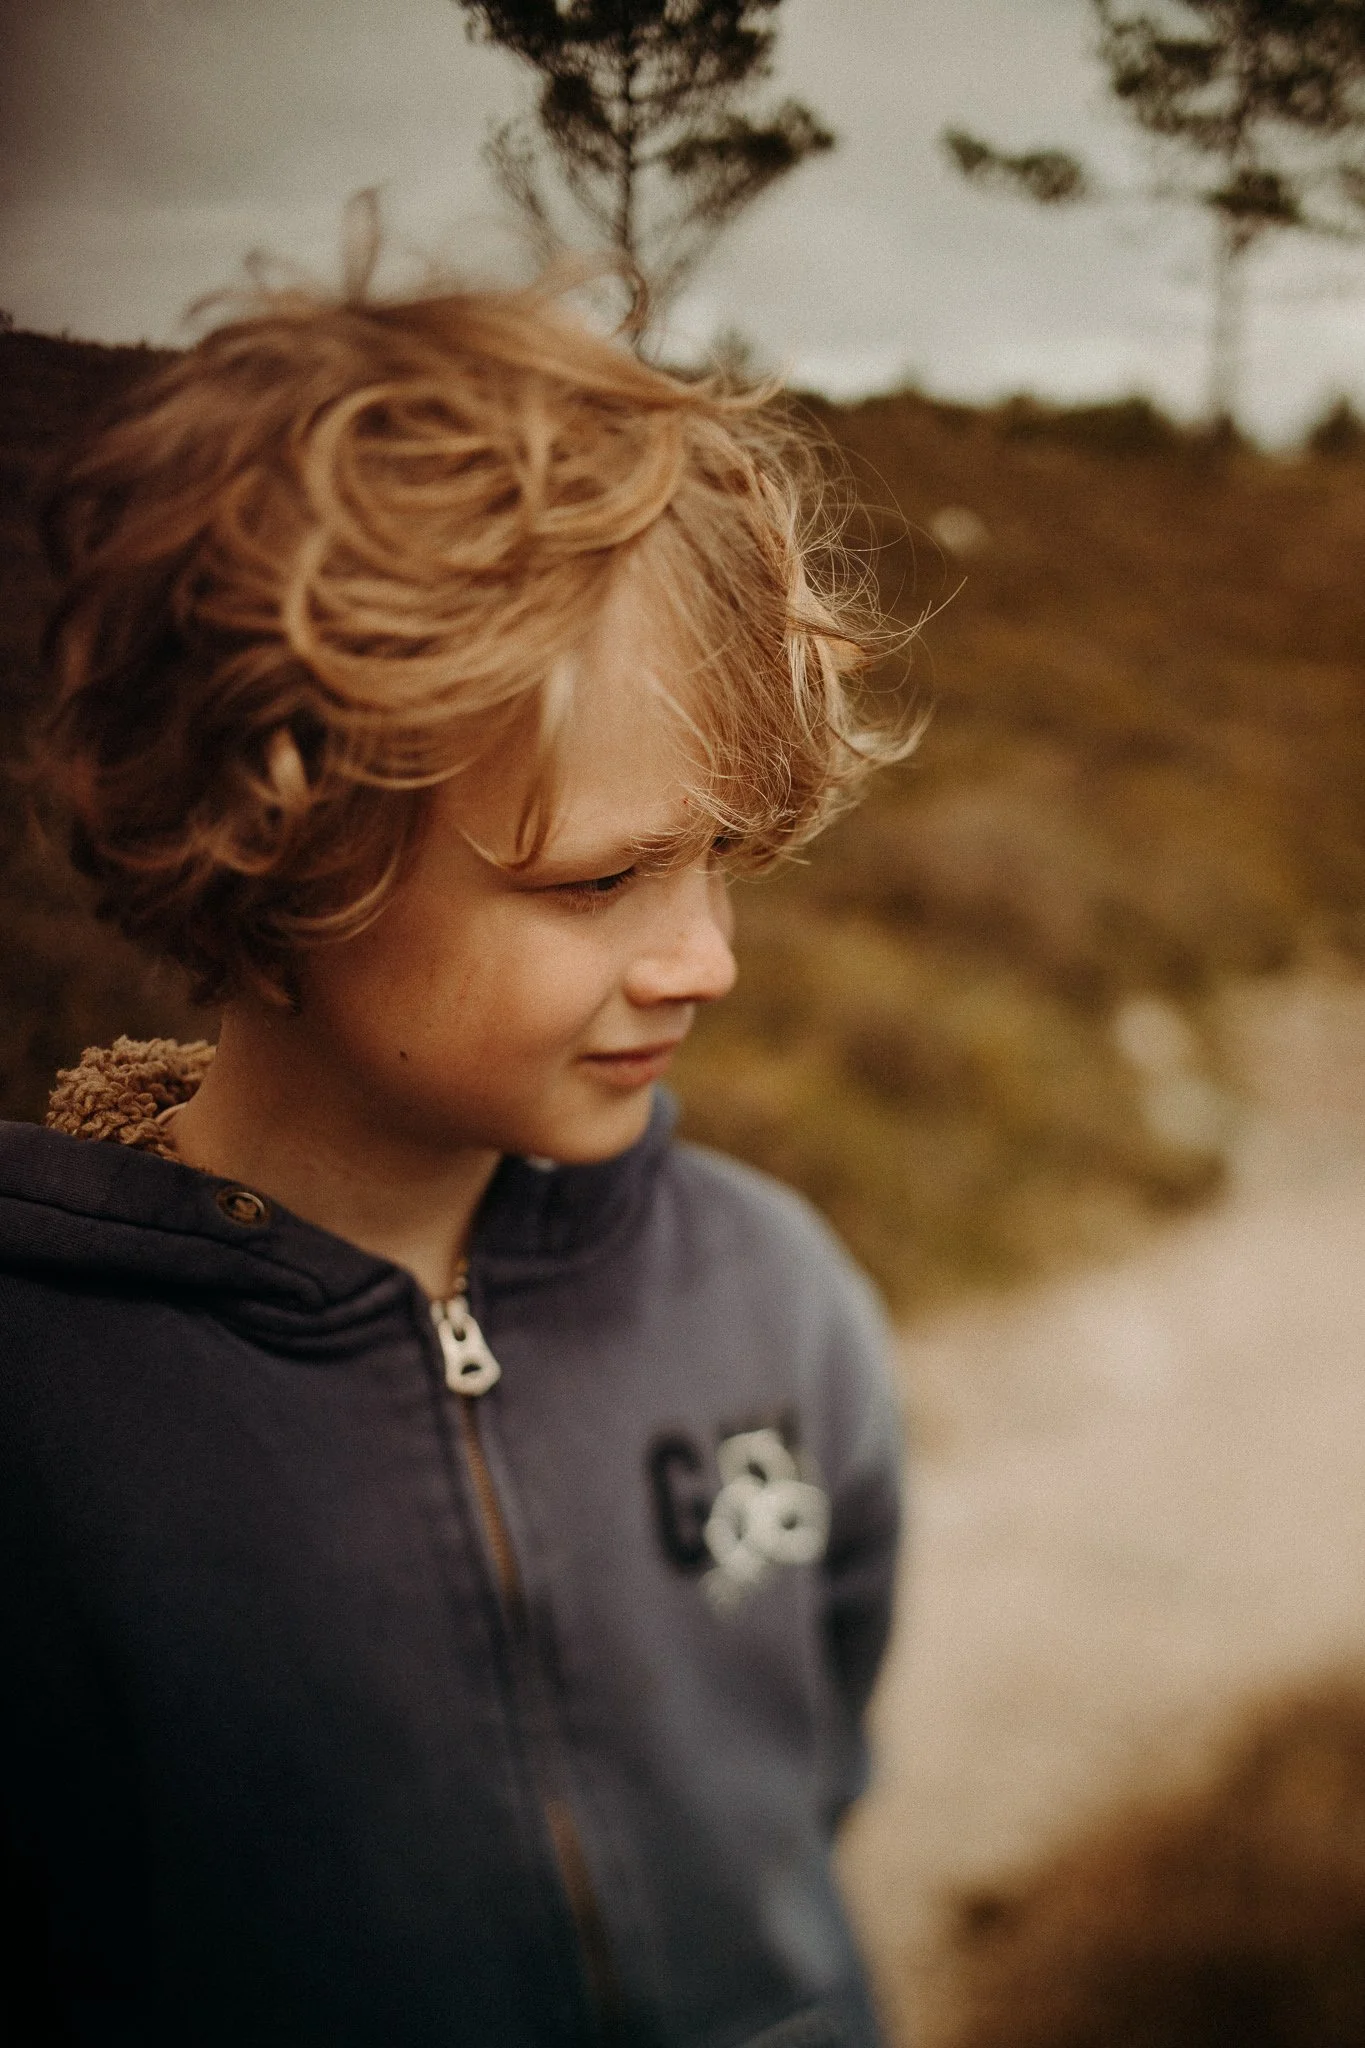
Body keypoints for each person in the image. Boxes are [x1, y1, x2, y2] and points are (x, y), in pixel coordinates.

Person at [0, 265, 910, 2048]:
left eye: (723, 857)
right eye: (595, 881)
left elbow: (816, 1751)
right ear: (272, 834)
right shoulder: (44, 1407)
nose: (705, 958)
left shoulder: (769, 1290)